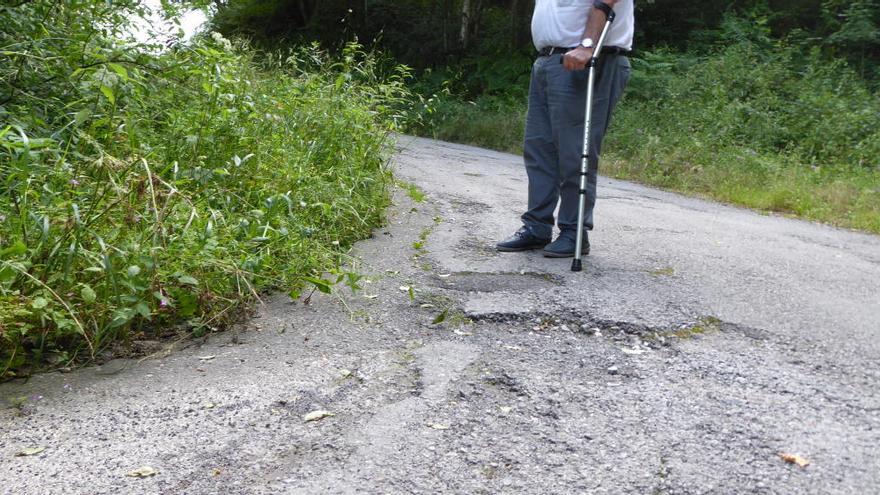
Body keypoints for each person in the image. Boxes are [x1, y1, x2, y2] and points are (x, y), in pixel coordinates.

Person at [496, 0, 633, 258]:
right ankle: (537, 227)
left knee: (575, 150)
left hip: (586, 60)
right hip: (549, 60)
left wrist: (587, 45)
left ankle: (574, 231)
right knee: (539, 149)